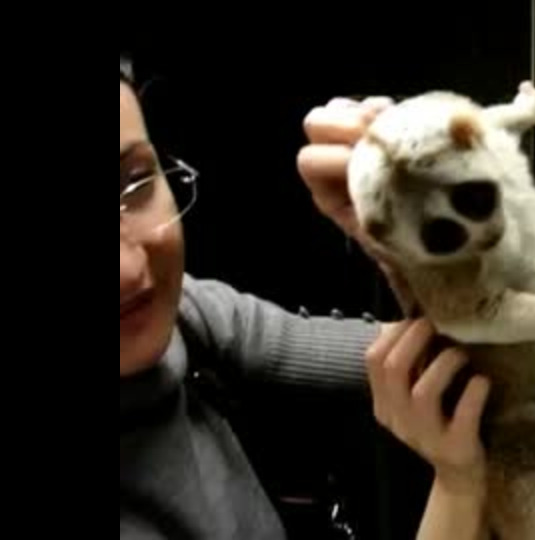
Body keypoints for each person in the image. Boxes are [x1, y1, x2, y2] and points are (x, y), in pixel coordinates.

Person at [119, 56, 492, 539]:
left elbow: (457, 356)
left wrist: (407, 247)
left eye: (133, 182)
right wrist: (459, 486)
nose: (129, 271)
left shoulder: (187, 318)